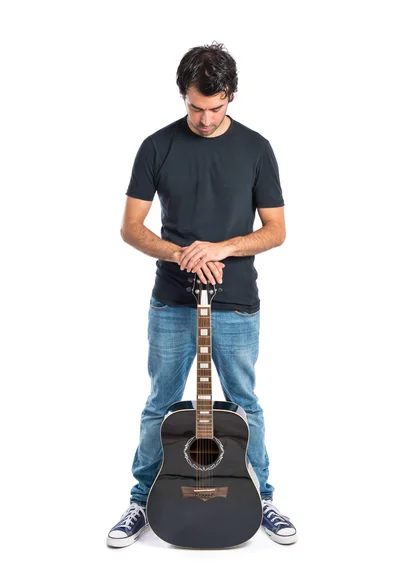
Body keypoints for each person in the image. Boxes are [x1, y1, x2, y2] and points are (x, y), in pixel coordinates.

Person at [107, 41, 297, 548]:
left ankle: (263, 497)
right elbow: (131, 226)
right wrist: (180, 253)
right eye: (195, 107)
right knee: (160, 405)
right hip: (172, 300)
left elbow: (276, 229)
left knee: (245, 404)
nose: (206, 118)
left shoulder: (256, 148)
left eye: (216, 107)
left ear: (230, 96)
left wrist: (223, 247)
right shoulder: (156, 146)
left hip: (236, 301)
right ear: (182, 96)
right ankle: (141, 501)